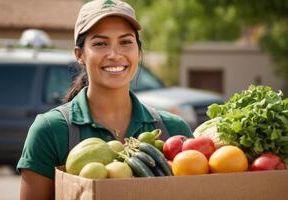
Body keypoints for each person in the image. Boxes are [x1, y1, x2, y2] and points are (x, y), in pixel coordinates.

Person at [17, 0, 192, 199]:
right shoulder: (50, 130)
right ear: (79, 54)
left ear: (138, 50)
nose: (114, 54)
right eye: (100, 43)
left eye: (126, 42)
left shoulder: (173, 131)